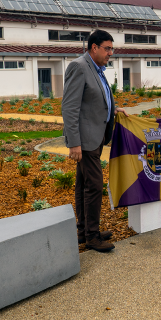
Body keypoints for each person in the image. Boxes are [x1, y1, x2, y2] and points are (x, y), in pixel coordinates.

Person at [62, 29, 127, 252]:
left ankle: (83, 231)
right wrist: (74, 143)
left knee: (84, 185)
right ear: (94, 47)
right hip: (85, 140)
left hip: (95, 137)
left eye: (112, 48)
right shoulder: (79, 67)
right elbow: (70, 107)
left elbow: (92, 100)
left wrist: (113, 109)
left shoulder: (97, 68)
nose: (111, 53)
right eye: (107, 48)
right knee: (95, 186)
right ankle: (92, 236)